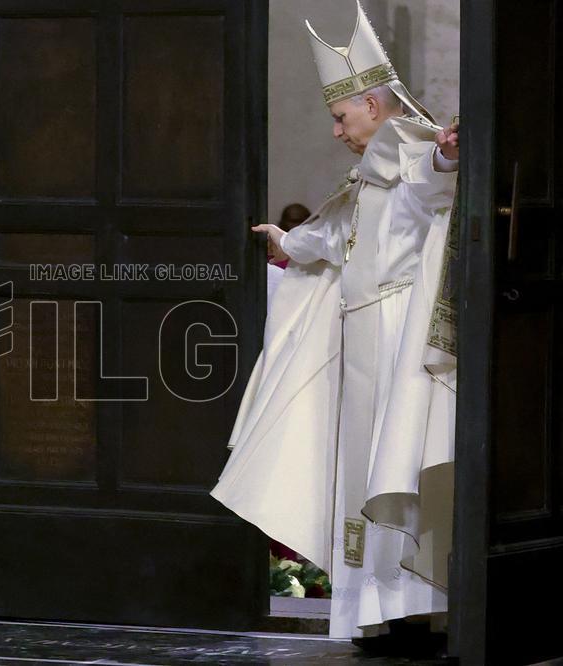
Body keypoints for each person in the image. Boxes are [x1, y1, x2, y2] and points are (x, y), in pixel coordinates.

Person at [210, 0, 459, 655]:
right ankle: (374, 616)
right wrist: (288, 242)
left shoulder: (407, 164)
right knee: (360, 480)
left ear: (375, 110)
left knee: (392, 474)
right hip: (361, 346)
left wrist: (444, 160)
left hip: (397, 346)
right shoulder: (365, 177)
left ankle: (410, 614)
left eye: (341, 117)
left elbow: (430, 190)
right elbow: (336, 237)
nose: (334, 131)